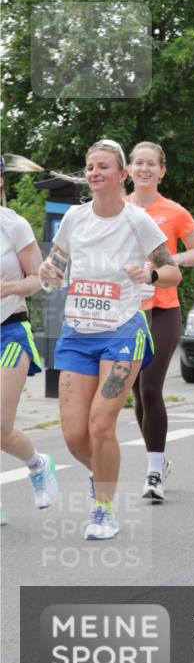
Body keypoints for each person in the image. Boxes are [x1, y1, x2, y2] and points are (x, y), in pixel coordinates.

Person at [38, 140, 181, 540]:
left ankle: (104, 510)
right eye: (90, 167)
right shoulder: (75, 219)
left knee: (101, 425)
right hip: (77, 335)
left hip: (122, 333)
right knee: (73, 435)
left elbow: (173, 273)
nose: (95, 172)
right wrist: (50, 270)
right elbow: (59, 265)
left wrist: (149, 275)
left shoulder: (138, 222)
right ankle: (100, 475)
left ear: (122, 175)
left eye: (103, 167)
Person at [126, 142, 194, 501]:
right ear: (128, 169)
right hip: (126, 312)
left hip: (163, 310)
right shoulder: (118, 209)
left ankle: (154, 474)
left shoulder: (173, 212)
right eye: (138, 163)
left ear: (162, 171)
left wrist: (169, 259)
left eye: (151, 164)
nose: (144, 169)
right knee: (137, 396)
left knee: (149, 388)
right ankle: (158, 460)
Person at [1, 156, 58, 524]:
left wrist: (9, 287)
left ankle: (38, 464)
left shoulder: (14, 225)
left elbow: (40, 279)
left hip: (10, 332)